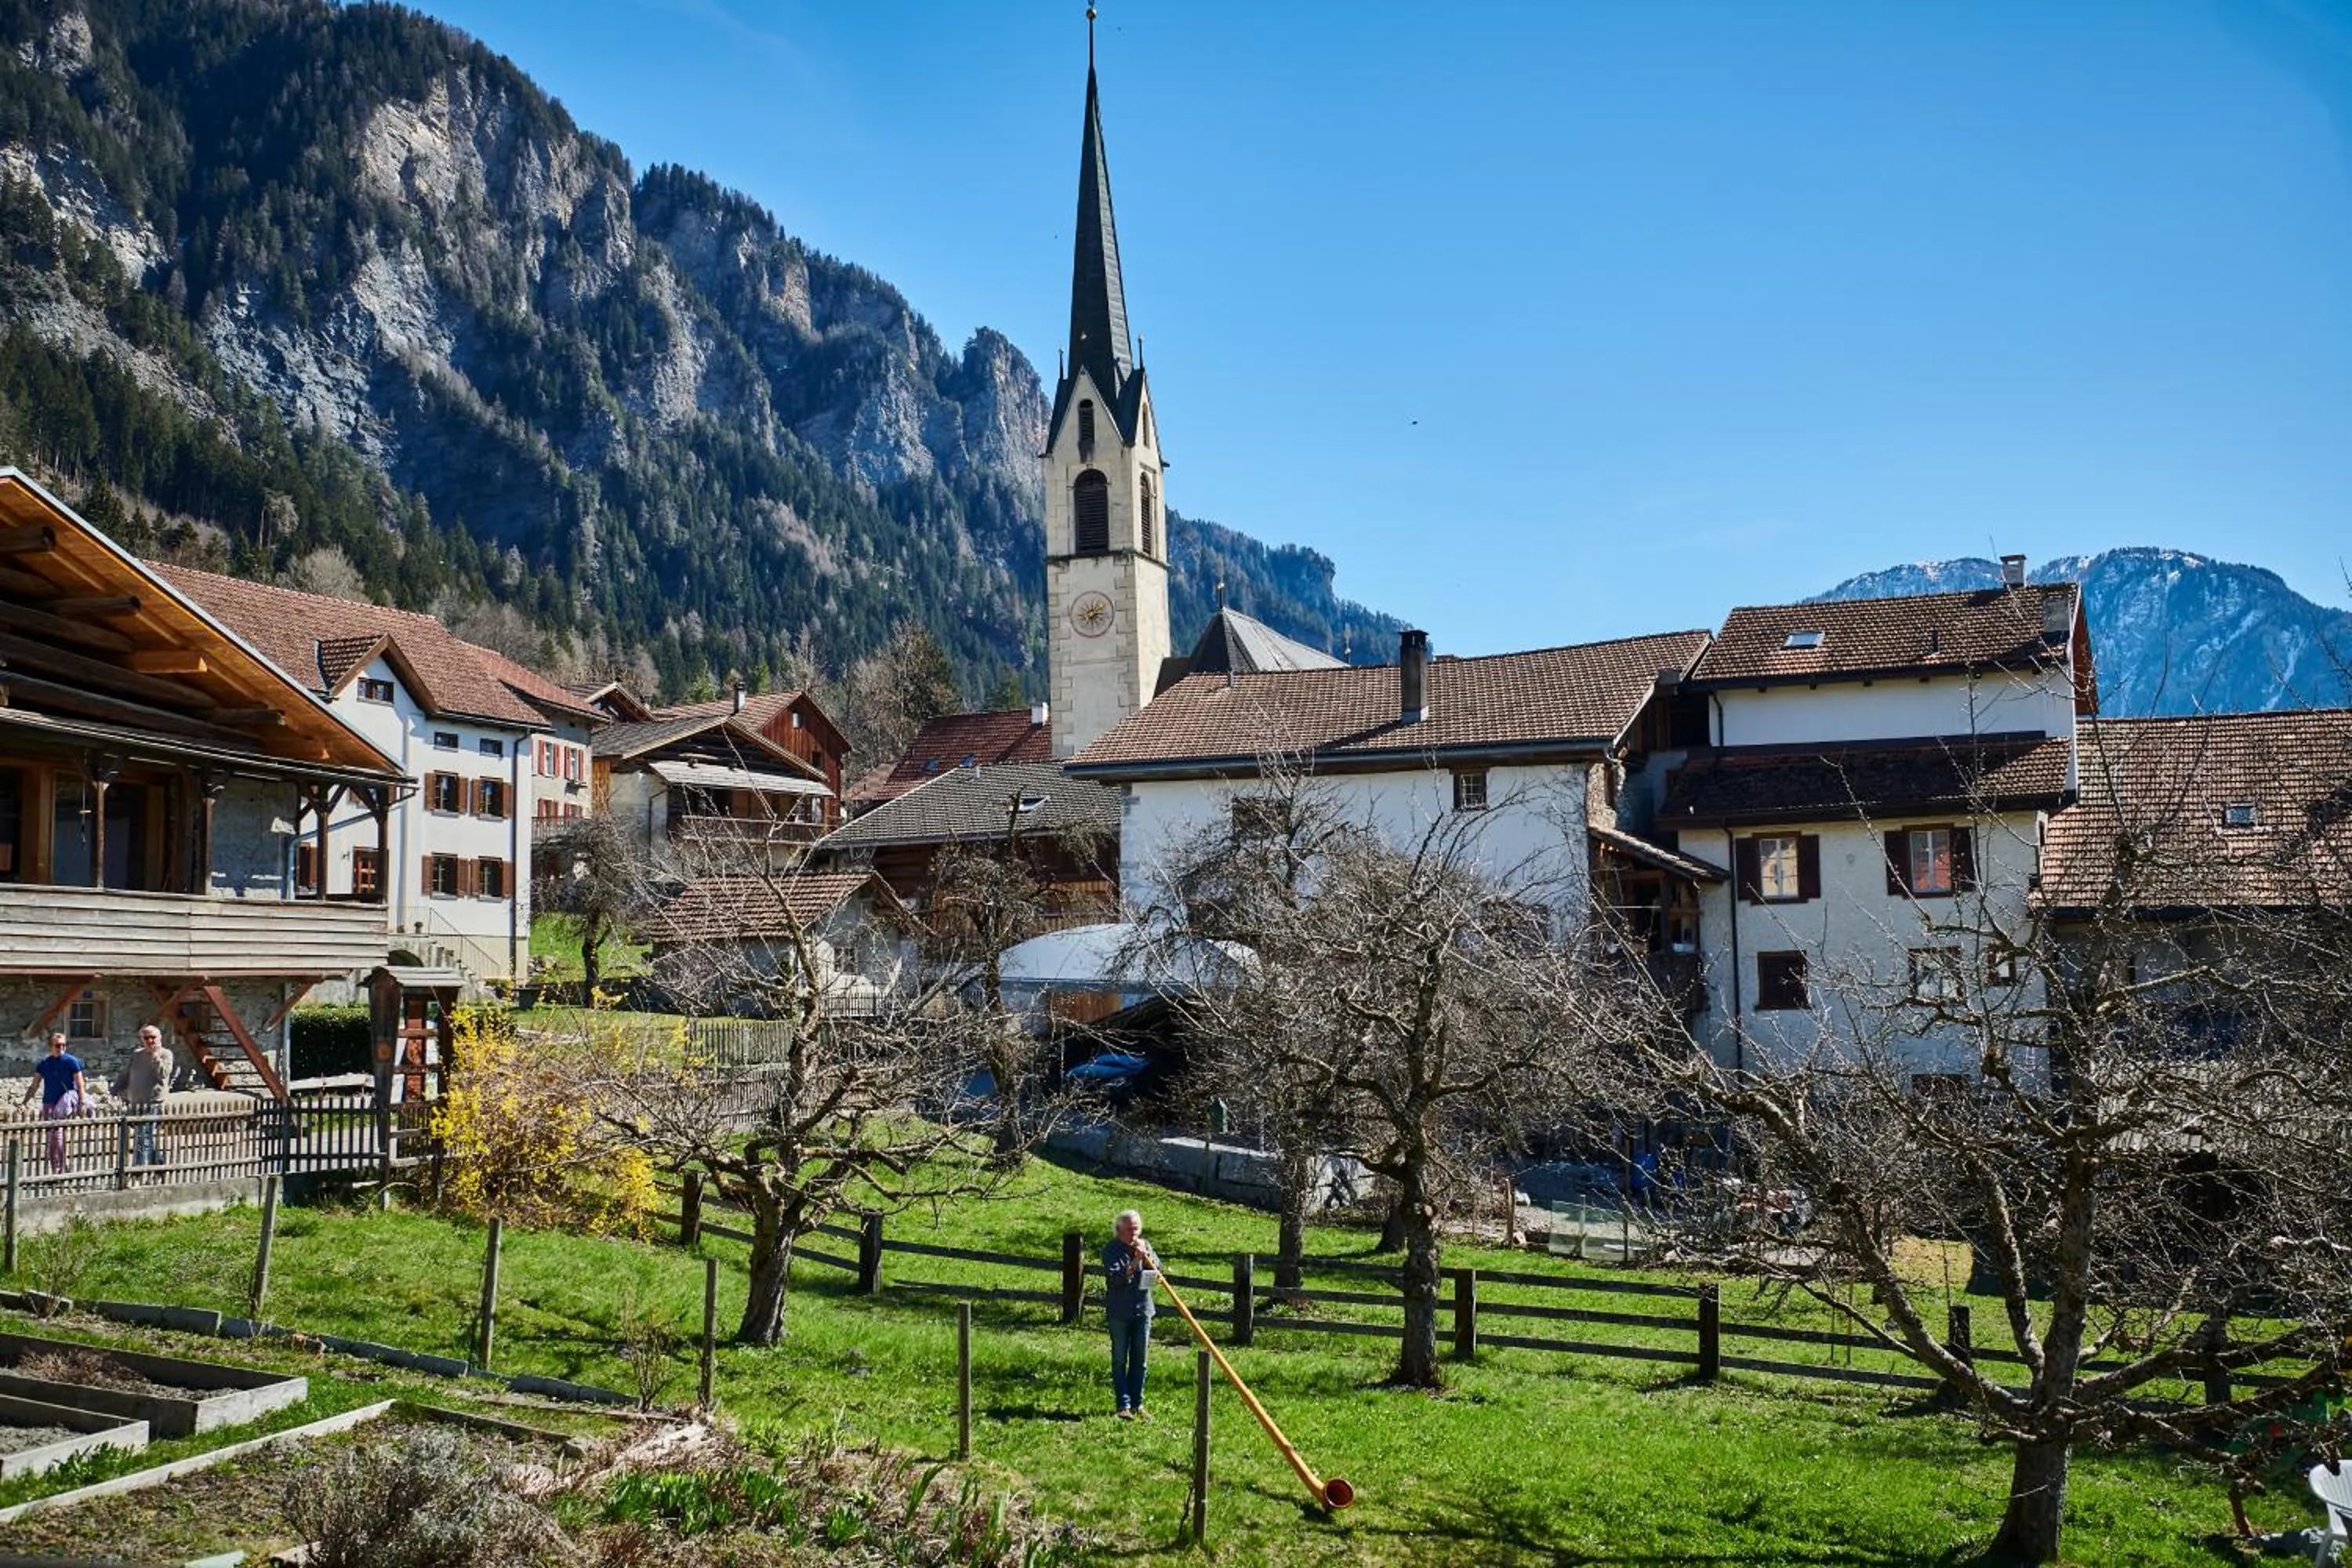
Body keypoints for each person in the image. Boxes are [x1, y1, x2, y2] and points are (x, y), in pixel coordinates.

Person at [1102, 1207, 1160, 1420]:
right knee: (1119, 1359)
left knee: (1140, 1360)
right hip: (1120, 1312)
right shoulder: (1111, 1250)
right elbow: (1117, 1279)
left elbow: (1158, 1270)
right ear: (1118, 1230)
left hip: (1143, 1310)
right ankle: (1123, 1406)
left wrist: (1146, 1257)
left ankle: (1138, 1404)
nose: (1133, 1234)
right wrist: (1136, 1261)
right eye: (1129, 1230)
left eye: (1136, 1229)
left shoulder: (1145, 1246)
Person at [111, 1025, 172, 1174]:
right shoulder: (137, 1055)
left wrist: (155, 1056)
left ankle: (137, 1172)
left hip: (153, 1103)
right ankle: (159, 1166)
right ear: (142, 1040)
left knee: (143, 1137)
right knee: (145, 1137)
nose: (150, 1041)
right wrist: (114, 1090)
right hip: (135, 1103)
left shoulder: (166, 1054)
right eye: (147, 1038)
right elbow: (126, 1075)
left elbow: (163, 1075)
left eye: (153, 1037)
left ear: (160, 1038)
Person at [21, 1033, 85, 1175]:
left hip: (64, 1103)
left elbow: (80, 1083)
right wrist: (24, 1102)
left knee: (58, 1137)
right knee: (52, 1139)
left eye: (63, 1045)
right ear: (51, 1046)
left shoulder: (71, 1061)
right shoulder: (44, 1063)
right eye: (58, 1045)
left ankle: (60, 1169)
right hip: (49, 1103)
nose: (61, 1048)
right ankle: (56, 1168)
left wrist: (82, 1102)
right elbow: (34, 1085)